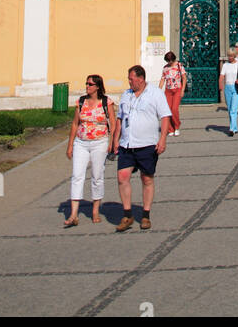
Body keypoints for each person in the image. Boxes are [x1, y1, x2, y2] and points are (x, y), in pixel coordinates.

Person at [113, 65, 171, 231]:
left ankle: (145, 215)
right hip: (127, 143)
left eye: (131, 79)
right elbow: (119, 118)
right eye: (129, 79)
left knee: (147, 178)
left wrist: (163, 139)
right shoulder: (126, 94)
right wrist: (115, 139)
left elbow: (165, 116)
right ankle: (127, 214)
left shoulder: (156, 94)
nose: (129, 82)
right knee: (122, 176)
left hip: (147, 144)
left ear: (141, 78)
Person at [64, 74, 117, 226]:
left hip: (99, 142)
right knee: (77, 175)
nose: (87, 86)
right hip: (81, 142)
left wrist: (111, 142)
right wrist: (70, 144)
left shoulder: (106, 102)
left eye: (90, 84)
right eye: (86, 84)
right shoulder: (81, 101)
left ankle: (95, 209)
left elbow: (112, 124)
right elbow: (75, 124)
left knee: (97, 175)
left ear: (98, 87)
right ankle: (74, 214)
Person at [158, 51, 187, 136]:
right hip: (168, 91)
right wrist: (158, 90)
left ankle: (177, 126)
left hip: (177, 89)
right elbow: (162, 79)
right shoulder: (165, 68)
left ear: (173, 59)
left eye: (170, 61)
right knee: (168, 110)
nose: (169, 62)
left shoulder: (179, 65)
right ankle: (170, 129)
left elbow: (184, 78)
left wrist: (182, 90)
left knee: (174, 109)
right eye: (167, 61)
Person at [219, 46, 238, 135]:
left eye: (231, 56)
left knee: (234, 109)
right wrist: (220, 85)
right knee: (230, 108)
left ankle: (231, 129)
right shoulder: (225, 65)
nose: (229, 58)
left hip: (236, 87)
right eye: (228, 56)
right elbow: (222, 76)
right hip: (228, 87)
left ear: (234, 56)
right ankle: (235, 127)